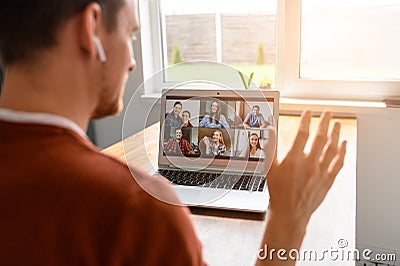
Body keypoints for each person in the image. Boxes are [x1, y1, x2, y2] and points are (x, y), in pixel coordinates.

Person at [0, 0, 347, 265]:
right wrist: (288, 223)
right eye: (131, 33)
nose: (133, 61)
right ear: (91, 29)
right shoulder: (140, 210)